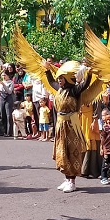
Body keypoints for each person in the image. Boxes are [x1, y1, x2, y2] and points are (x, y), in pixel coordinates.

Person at [43, 60, 93, 193]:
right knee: (62, 152)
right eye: (58, 78)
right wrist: (47, 70)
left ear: (67, 79)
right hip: (61, 125)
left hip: (71, 126)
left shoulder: (74, 91)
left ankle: (72, 181)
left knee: (72, 152)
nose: (59, 80)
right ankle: (66, 178)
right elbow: (50, 82)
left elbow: (85, 84)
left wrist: (89, 72)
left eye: (61, 78)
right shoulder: (59, 89)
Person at [0, 72, 15, 137]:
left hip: (8, 97)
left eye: (5, 75)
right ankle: (3, 131)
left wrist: (3, 85)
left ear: (8, 75)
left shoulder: (11, 82)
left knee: (8, 115)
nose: (3, 77)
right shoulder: (1, 82)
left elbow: (9, 91)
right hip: (2, 97)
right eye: (2, 75)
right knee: (2, 114)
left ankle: (9, 132)